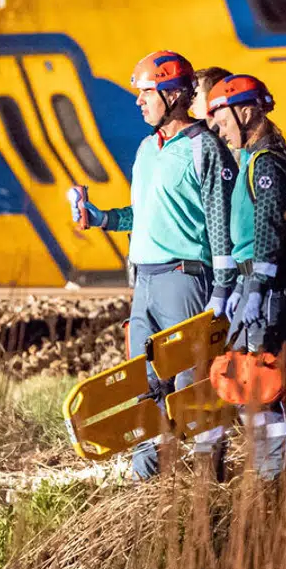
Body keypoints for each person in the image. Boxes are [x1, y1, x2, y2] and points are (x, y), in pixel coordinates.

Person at [68, 50, 238, 480]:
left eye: (146, 93)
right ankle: (148, 489)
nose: (138, 102)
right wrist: (103, 218)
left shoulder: (205, 148)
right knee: (144, 386)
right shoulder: (147, 148)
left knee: (191, 385)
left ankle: (207, 485)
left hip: (185, 280)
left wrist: (223, 287)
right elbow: (142, 214)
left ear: (174, 94)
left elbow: (219, 219)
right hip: (144, 282)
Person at [206, 74, 286, 479]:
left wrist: (256, 288)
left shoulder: (267, 163)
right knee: (252, 384)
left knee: (267, 380)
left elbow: (267, 227)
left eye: (223, 118)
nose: (219, 128)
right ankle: (267, 468)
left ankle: (277, 474)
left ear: (246, 111)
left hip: (270, 287)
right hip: (255, 285)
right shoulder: (250, 159)